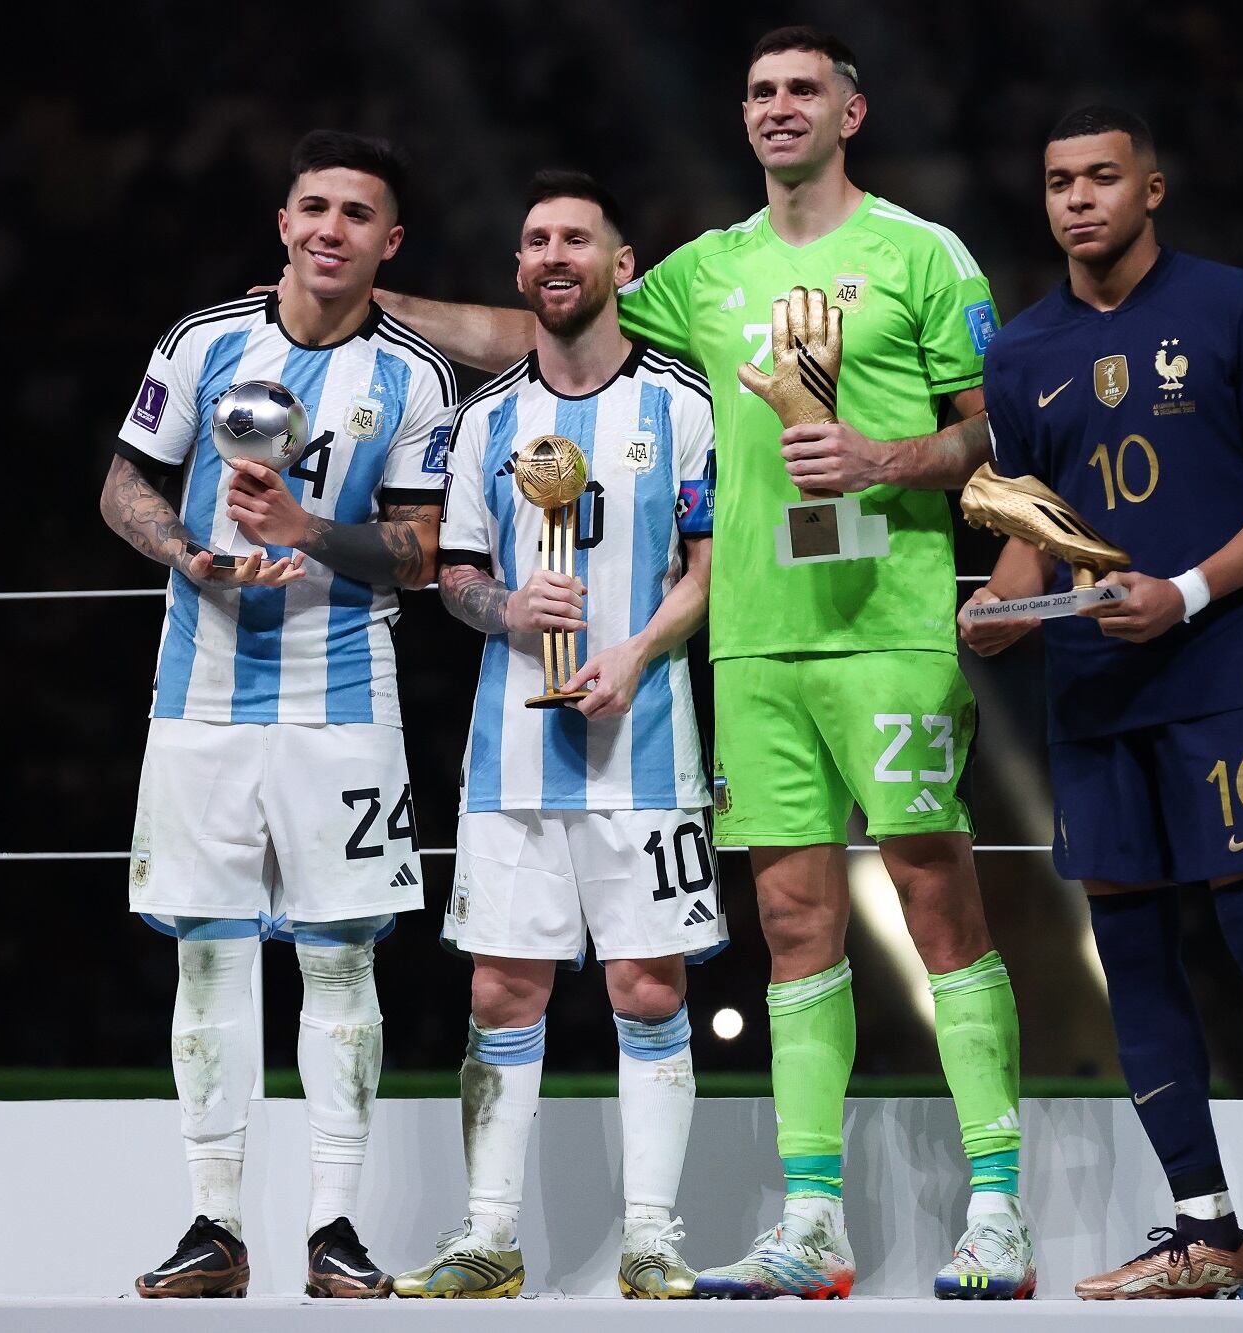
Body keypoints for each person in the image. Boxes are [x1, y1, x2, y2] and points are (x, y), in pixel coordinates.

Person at [376, 25, 1031, 1302]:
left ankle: (996, 1209)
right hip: (753, 642)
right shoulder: (706, 269)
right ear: (742, 121)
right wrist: (376, 306)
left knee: (938, 902)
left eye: (803, 90)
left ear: (852, 110)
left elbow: (992, 430)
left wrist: (881, 461)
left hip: (888, 626)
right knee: (794, 930)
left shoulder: (918, 253)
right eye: (759, 93)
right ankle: (814, 1222)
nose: (778, 108)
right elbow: (546, 321)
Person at [960, 104, 1243, 1303]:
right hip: (1093, 688)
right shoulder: (1021, 352)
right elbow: (1038, 537)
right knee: (1128, 947)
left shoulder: (1234, 306)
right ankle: (1202, 1228)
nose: (1075, 199)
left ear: (1151, 188)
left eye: (1099, 177)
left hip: (1218, 669)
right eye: (1054, 182)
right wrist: (996, 607)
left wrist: (1184, 593)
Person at [102, 129, 457, 1299]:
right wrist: (188, 552)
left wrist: (307, 533)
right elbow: (122, 484)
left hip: (342, 701)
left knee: (339, 955)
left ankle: (333, 1227)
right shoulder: (201, 341)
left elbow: (418, 554)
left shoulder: (412, 377)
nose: (329, 230)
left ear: (387, 243)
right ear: (283, 222)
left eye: (357, 215)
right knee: (205, 954)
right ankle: (213, 1224)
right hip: (196, 693)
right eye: (313, 207)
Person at [389, 170, 721, 1301]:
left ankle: (651, 1238)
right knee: (499, 992)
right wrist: (502, 608)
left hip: (648, 745)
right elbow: (457, 575)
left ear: (621, 265)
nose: (552, 255)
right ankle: (488, 1237)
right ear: (519, 271)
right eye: (534, 241)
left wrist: (633, 653)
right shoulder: (483, 420)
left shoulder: (679, 402)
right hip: (511, 757)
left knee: (647, 987)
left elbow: (710, 567)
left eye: (576, 238)